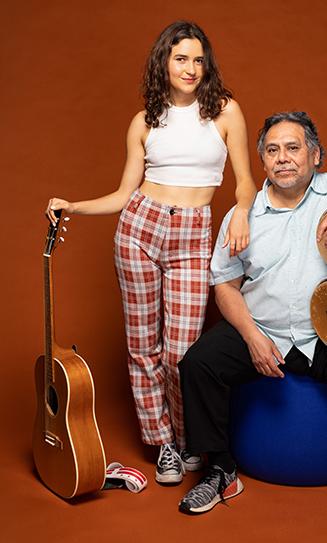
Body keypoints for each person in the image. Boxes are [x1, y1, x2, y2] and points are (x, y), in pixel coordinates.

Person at [178, 111, 327, 523]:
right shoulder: (244, 213)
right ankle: (221, 468)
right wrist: (252, 338)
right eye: (272, 150)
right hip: (263, 328)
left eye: (293, 147)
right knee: (197, 364)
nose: (283, 158)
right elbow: (225, 286)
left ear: (316, 154)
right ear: (263, 161)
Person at [45, 21, 257, 485]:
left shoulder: (225, 112)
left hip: (195, 235)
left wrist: (242, 211)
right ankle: (163, 444)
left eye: (199, 59)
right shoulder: (145, 121)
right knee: (143, 347)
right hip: (139, 227)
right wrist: (74, 206)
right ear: (164, 61)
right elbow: (125, 193)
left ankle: (188, 438)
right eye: (181, 58)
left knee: (181, 352)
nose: (191, 68)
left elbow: (245, 182)